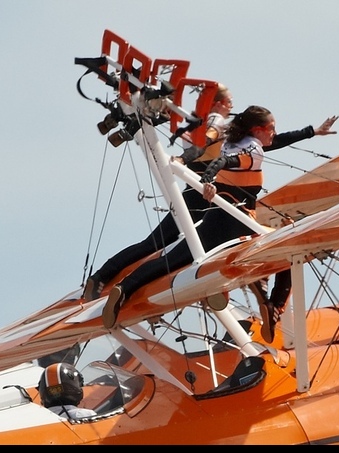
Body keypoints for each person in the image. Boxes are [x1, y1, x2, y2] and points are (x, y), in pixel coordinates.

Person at [83, 83, 338, 302]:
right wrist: (185, 160)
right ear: (219, 103)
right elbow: (205, 143)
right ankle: (103, 278)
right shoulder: (216, 124)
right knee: (161, 244)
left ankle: (251, 282)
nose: (231, 105)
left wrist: (312, 132)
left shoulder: (235, 134)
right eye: (228, 101)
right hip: (202, 192)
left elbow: (271, 142)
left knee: (177, 244)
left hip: (209, 193)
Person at [102, 105, 285, 330]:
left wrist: (312, 132)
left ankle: (125, 287)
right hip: (240, 224)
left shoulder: (230, 144)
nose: (274, 133)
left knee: (170, 261)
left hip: (215, 219)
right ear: (257, 130)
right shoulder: (254, 150)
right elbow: (225, 163)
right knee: (286, 252)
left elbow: (224, 160)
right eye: (271, 128)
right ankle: (272, 306)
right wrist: (208, 179)